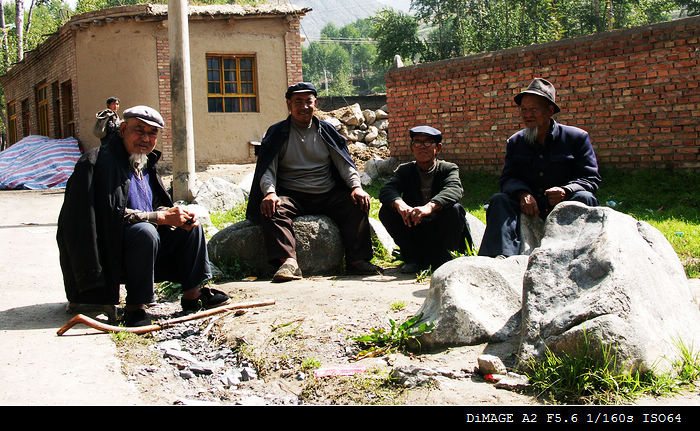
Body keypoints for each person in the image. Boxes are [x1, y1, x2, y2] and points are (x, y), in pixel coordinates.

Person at [57, 105, 229, 327]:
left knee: (191, 226)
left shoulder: (143, 163)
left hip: (144, 251)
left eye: (152, 133)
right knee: (145, 231)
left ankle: (192, 296)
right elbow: (110, 216)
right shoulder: (100, 162)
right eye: (139, 130)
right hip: (108, 253)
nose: (145, 138)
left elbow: (154, 207)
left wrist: (173, 216)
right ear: (123, 130)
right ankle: (135, 308)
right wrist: (160, 218)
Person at [246, 82, 381, 281]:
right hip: (292, 194)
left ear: (315, 103)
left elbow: (345, 165)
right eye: (297, 102)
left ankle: (357, 261)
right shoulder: (277, 133)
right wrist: (270, 193)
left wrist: (356, 187)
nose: (304, 107)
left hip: (327, 193)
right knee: (272, 209)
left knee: (356, 203)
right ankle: (289, 262)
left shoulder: (326, 131)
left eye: (308, 101)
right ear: (288, 105)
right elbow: (267, 170)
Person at [478, 78, 601, 257]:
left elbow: (590, 178)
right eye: (524, 110)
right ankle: (500, 259)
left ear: (550, 110)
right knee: (499, 200)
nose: (527, 115)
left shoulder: (577, 138)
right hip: (529, 208)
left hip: (563, 205)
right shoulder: (515, 142)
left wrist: (566, 190)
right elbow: (507, 178)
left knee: (584, 197)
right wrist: (523, 194)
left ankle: (579, 257)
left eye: (533, 110)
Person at [379, 126, 471, 273]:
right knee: (386, 211)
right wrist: (400, 204)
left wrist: (429, 207)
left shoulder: (448, 168)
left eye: (428, 142)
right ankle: (412, 258)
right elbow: (387, 190)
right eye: (417, 142)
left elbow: (454, 189)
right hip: (415, 227)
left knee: (455, 209)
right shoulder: (405, 170)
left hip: (439, 227)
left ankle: (444, 259)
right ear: (411, 147)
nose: (422, 147)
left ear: (438, 147)